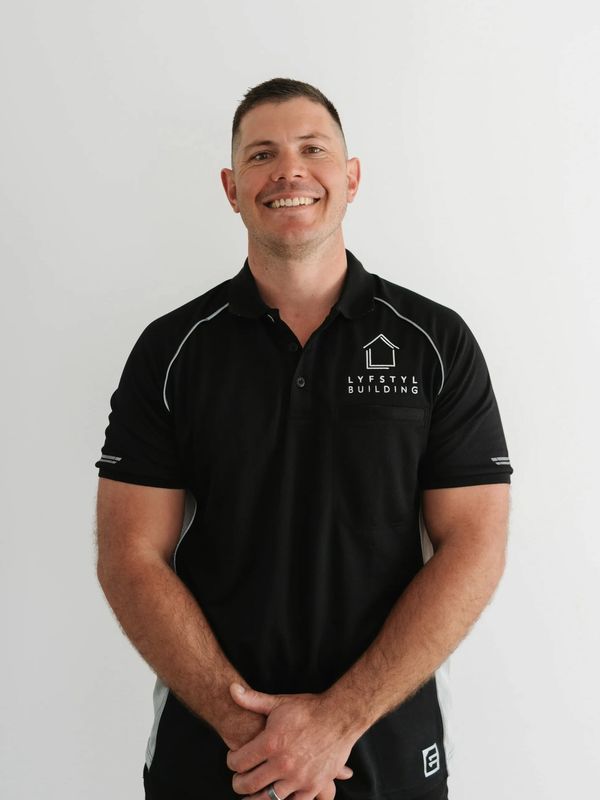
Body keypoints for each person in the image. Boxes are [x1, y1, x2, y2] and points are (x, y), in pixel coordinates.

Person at [94, 77, 513, 800]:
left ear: (350, 177)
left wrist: (334, 723)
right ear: (232, 187)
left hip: (384, 743)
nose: (289, 171)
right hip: (217, 752)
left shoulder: (434, 343)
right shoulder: (172, 351)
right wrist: (249, 730)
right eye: (262, 154)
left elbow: (475, 545)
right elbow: (129, 554)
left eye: (312, 149)